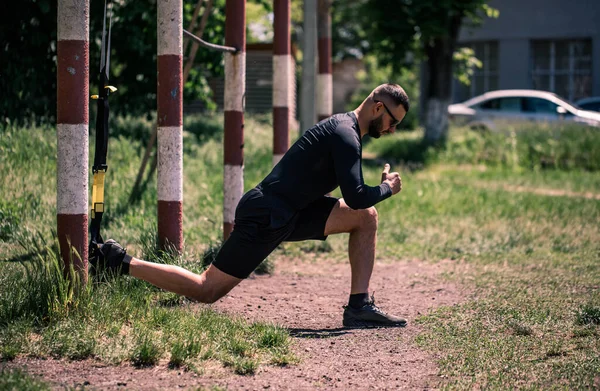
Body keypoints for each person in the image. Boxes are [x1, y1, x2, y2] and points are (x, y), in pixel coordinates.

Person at [97, 83, 410, 328]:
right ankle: (117, 260)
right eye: (393, 121)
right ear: (378, 107)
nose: (393, 129)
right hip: (267, 215)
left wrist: (376, 193)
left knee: (365, 217)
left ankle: (358, 306)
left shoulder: (347, 130)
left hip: (293, 212)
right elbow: (355, 195)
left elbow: (356, 202)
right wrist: (386, 187)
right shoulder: (346, 135)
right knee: (206, 289)